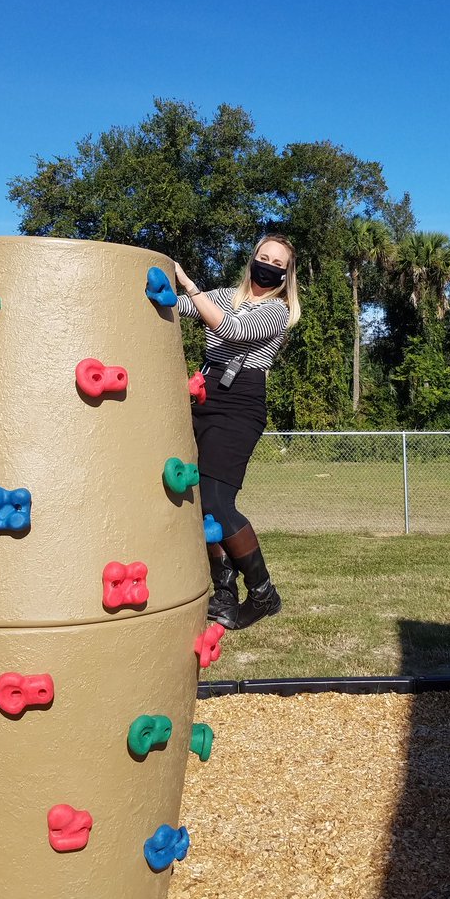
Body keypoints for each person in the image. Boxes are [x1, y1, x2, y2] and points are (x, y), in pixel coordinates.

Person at [174, 236, 301, 630]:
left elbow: (229, 329)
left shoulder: (277, 311)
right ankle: (224, 595)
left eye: (276, 262)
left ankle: (263, 593)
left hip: (241, 402)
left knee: (217, 499)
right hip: (205, 393)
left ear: (285, 274)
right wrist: (154, 289)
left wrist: (188, 284)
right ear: (252, 260)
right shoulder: (227, 294)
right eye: (263, 257)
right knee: (199, 500)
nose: (268, 265)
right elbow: (179, 307)